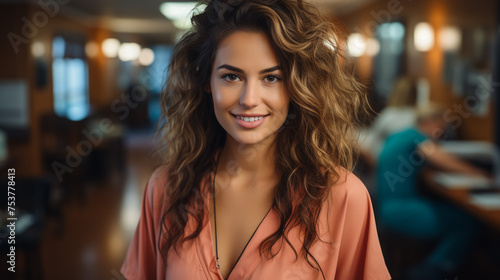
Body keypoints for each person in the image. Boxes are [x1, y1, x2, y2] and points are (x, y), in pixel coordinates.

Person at [120, 1, 391, 279]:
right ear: (206, 82)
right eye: (231, 76)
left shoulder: (344, 198)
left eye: (271, 78)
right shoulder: (166, 189)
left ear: (296, 87)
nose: (249, 99)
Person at [376, 104, 489, 280]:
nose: (442, 132)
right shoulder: (416, 137)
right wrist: (481, 175)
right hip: (401, 210)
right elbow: (442, 159)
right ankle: (430, 272)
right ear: (431, 122)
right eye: (441, 126)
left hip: (385, 208)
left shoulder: (399, 135)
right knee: (465, 223)